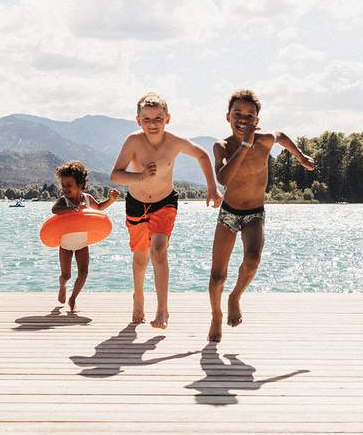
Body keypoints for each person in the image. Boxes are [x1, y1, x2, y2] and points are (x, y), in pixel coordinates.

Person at [207, 89, 315, 342]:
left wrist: (300, 157)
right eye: (238, 114)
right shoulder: (221, 146)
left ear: (257, 119)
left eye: (250, 115)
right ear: (228, 117)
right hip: (229, 214)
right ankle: (215, 315)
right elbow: (223, 178)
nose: (243, 119)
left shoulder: (265, 139)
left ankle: (235, 297)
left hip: (255, 213)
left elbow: (282, 137)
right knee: (217, 275)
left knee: (253, 259)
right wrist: (244, 145)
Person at [111, 92, 221, 328]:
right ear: (138, 120)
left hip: (165, 201)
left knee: (159, 250)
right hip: (136, 203)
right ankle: (138, 298)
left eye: (158, 118)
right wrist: (140, 176)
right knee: (141, 257)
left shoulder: (174, 142)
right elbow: (115, 175)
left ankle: (162, 311)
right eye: (147, 119)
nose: (153, 124)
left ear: (168, 118)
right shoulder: (133, 142)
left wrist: (212, 188)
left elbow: (202, 155)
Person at [50, 160, 120, 313]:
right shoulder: (64, 201)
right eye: (63, 185)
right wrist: (74, 209)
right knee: (66, 275)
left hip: (82, 243)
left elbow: (100, 207)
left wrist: (112, 200)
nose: (65, 188)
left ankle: (73, 298)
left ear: (80, 185)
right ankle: (62, 285)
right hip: (65, 245)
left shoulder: (87, 199)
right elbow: (55, 210)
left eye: (69, 185)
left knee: (84, 273)